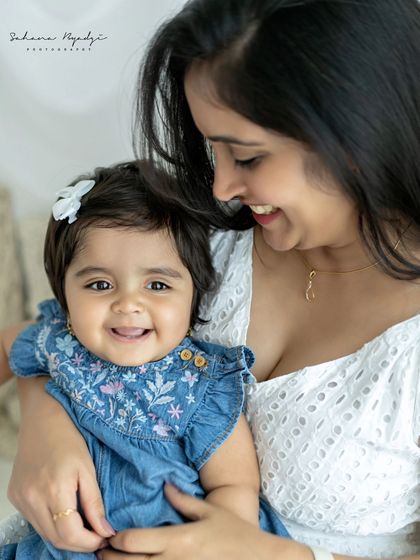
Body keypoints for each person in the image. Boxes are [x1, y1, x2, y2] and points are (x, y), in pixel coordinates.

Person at [4, 0, 420, 558]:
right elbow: (59, 333)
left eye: (246, 157)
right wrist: (44, 423)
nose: (220, 187)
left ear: (358, 135)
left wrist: (280, 556)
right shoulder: (200, 245)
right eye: (211, 147)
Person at [0, 160, 288, 559]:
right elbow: (6, 345)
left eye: (157, 284)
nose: (128, 304)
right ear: (65, 296)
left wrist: (217, 540)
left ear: (194, 296)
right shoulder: (58, 340)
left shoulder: (197, 383)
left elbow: (235, 485)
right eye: (100, 284)